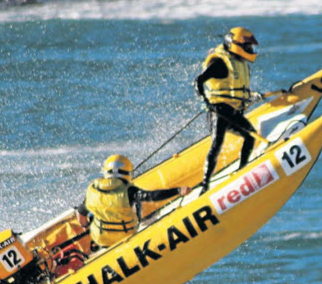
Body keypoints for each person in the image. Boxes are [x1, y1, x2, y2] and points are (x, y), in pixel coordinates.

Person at [195, 26, 265, 195]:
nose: (250, 50)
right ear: (235, 44)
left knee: (250, 136)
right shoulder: (220, 63)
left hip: (232, 111)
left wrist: (252, 96)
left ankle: (242, 169)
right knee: (217, 144)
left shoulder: (239, 63)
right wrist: (204, 101)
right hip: (218, 110)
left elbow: (236, 90)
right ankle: (205, 184)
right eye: (247, 47)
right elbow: (198, 81)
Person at [77, 154, 191, 248]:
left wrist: (86, 225)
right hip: (125, 238)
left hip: (101, 240)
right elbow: (151, 196)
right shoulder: (129, 191)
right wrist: (178, 190)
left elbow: (80, 214)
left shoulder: (94, 190)